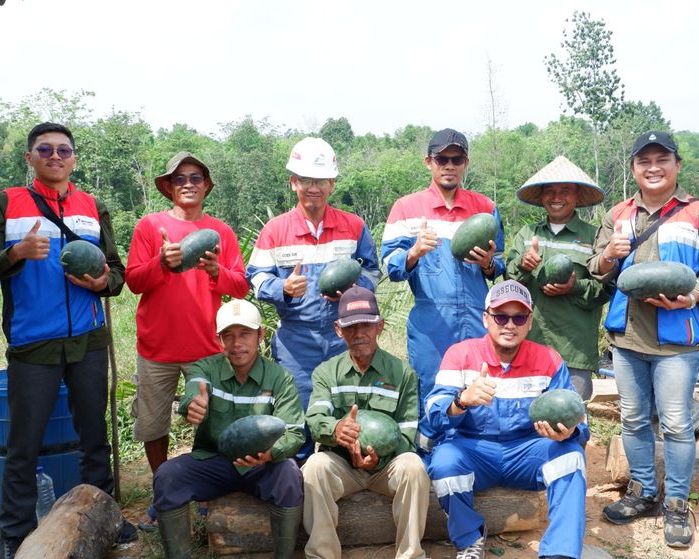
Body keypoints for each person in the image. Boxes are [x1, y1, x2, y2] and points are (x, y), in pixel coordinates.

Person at [0, 122, 135, 558]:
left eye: (64, 150)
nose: (55, 156)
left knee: (94, 435)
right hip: (32, 342)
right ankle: (14, 532)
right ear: (30, 158)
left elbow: (117, 273)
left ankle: (105, 517)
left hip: (88, 340)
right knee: (24, 442)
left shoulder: (91, 206)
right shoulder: (7, 203)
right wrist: (15, 254)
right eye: (45, 149)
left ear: (74, 158)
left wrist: (102, 282)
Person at [589, 131, 699, 549]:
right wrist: (609, 255)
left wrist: (691, 296)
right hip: (628, 335)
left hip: (677, 339)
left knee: (675, 422)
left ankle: (675, 502)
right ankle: (643, 492)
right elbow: (598, 268)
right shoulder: (617, 214)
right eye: (644, 161)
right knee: (633, 418)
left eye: (662, 159)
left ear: (677, 165)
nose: (653, 168)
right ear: (633, 168)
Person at [424, 280, 588, 559]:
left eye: (518, 317)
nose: (509, 325)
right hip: (473, 449)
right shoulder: (460, 354)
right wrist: (461, 400)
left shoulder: (549, 360)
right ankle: (469, 540)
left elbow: (577, 417)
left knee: (571, 456)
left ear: (529, 322)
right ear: (486, 318)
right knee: (444, 461)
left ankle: (559, 552)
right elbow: (433, 411)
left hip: (528, 450)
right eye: (500, 316)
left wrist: (569, 432)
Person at [380, 128, 505, 452]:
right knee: (431, 392)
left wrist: (490, 264)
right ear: (428, 162)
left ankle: (472, 462)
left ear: (466, 163)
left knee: (477, 389)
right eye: (442, 159)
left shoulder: (485, 207)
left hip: (478, 321)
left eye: (457, 158)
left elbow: (501, 266)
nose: (449, 165)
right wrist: (413, 253)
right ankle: (425, 466)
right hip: (430, 324)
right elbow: (390, 267)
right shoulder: (406, 209)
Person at [125, 152, 248, 475]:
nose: (188, 184)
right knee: (153, 423)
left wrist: (215, 271)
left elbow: (240, 287)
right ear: (169, 187)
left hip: (206, 349)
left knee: (210, 422)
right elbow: (134, 281)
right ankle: (161, 484)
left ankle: (205, 488)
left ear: (206, 185)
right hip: (156, 348)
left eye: (195, 178)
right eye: (180, 179)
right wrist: (161, 263)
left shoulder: (220, 232)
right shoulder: (150, 226)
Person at [151, 299, 305, 559]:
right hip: (215, 462)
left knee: (290, 476)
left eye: (245, 334)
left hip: (262, 466)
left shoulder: (280, 378)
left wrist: (272, 453)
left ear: (260, 335)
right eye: (228, 336)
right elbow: (195, 386)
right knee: (168, 475)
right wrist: (193, 404)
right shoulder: (206, 368)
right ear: (219, 339)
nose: (237, 344)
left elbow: (295, 432)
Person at [246, 137, 381, 410]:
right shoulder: (274, 230)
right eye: (306, 180)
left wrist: (356, 289)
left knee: (349, 414)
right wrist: (282, 288)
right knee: (298, 417)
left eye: (321, 181)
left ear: (332, 184)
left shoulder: (353, 226)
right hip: (296, 341)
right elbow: (256, 278)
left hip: (344, 335)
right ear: (293, 182)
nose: (313, 188)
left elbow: (373, 271)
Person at [302, 286, 429, 559]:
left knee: (414, 466)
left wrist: (378, 460)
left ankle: (411, 555)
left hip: (385, 469)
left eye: (367, 325)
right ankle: (322, 555)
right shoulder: (326, 373)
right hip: (342, 465)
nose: (359, 333)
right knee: (314, 466)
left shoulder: (402, 373)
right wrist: (335, 430)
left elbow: (406, 435)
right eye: (351, 327)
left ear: (379, 326)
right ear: (338, 329)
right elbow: (315, 420)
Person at [506, 156, 609, 400]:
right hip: (528, 345)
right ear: (541, 196)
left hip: (573, 349)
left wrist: (574, 288)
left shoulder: (594, 237)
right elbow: (509, 282)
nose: (556, 197)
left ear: (577, 196)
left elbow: (604, 290)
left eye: (565, 191)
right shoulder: (527, 234)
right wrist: (522, 264)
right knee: (525, 420)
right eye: (550, 191)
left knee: (571, 421)